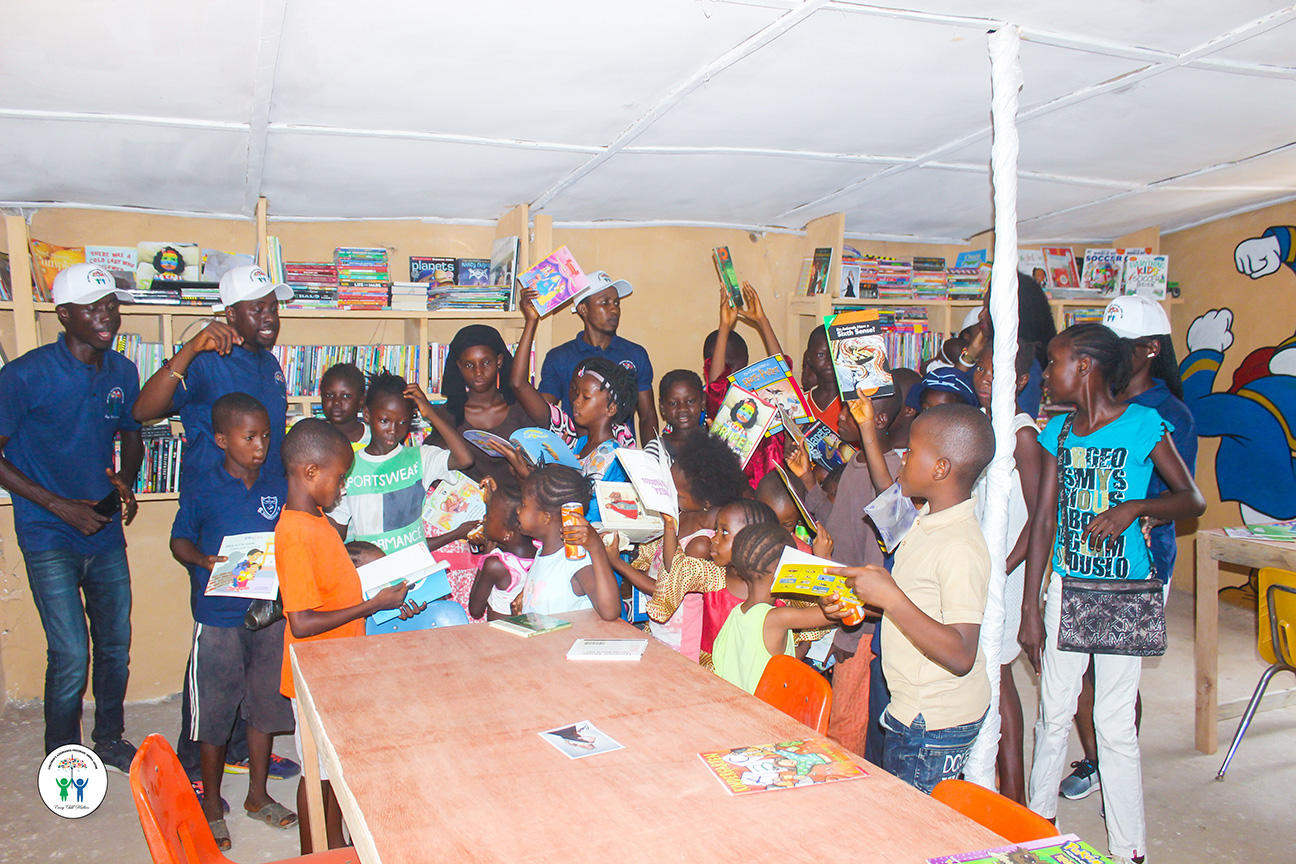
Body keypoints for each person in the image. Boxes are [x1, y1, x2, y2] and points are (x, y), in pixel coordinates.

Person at [1019, 323, 1204, 864]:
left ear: (1084, 366)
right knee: (1053, 714)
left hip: (1124, 591)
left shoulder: (1144, 424)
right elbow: (1044, 521)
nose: (1046, 375)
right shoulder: (1059, 432)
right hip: (1067, 587)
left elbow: (1191, 500)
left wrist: (1136, 508)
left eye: (1054, 363)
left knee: (1114, 724)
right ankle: (1039, 828)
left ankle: (1129, 848)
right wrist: (1030, 606)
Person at [1056, 298, 1200, 804]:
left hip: (1140, 560)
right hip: (1081, 559)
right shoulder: (1096, 403)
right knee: (1079, 671)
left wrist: (1138, 510)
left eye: (1123, 347)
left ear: (1151, 350)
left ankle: (1112, 762)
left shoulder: (1167, 414)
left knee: (1115, 677)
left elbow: (1181, 494)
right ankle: (1095, 757)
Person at [0, 263, 142, 767]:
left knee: (115, 645)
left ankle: (109, 738)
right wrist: (59, 506)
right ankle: (62, 757)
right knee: (70, 654)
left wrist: (127, 478)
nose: (107, 316)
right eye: (93, 308)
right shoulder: (23, 376)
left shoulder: (123, 371)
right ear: (63, 314)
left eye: (111, 305)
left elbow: (132, 433)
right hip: (47, 533)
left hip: (103, 532)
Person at [826, 403, 997, 793]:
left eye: (912, 452)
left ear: (940, 469)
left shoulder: (959, 546)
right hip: (915, 706)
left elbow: (961, 654)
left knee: (914, 818)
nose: (903, 459)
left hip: (933, 720)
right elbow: (887, 496)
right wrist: (863, 602)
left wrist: (891, 598)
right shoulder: (925, 520)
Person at [276, 419, 423, 853]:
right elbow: (302, 622)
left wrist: (384, 598)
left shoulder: (316, 518)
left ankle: (336, 843)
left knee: (333, 769)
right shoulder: (295, 533)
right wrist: (371, 606)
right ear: (310, 472)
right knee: (316, 776)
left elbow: (333, 586)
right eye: (339, 478)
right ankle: (312, 852)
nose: (342, 489)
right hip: (313, 675)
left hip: (336, 666)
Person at [168, 393, 295, 848]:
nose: (260, 446)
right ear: (222, 440)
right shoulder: (203, 487)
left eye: (266, 436)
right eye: (249, 437)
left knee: (264, 706)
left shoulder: (277, 487)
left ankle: (258, 796)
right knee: (215, 713)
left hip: (268, 617)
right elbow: (179, 540)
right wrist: (203, 560)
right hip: (219, 617)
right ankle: (210, 804)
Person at [133, 264, 293, 484]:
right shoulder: (206, 361)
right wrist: (190, 348)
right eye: (258, 310)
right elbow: (142, 411)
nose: (270, 318)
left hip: (266, 495)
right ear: (231, 313)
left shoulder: (271, 363)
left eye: (274, 309)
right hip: (215, 496)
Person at [968, 341, 1041, 805]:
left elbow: (1040, 517)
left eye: (997, 371)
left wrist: (1005, 567)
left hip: (1009, 571)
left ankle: (1014, 793)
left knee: (999, 675)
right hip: (983, 568)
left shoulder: (1021, 433)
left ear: (1021, 380)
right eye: (981, 368)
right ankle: (994, 780)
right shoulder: (981, 424)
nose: (986, 378)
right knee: (987, 674)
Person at [611, 434, 749, 658]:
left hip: (680, 640)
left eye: (678, 494)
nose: (669, 495)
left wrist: (618, 563)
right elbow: (652, 560)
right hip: (658, 628)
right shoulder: (681, 514)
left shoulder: (702, 544)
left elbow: (664, 588)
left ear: (705, 501)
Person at [326, 371, 474, 554]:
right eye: (384, 420)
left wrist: (431, 414)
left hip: (417, 564)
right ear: (367, 415)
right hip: (374, 567)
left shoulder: (420, 458)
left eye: (403, 422)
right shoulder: (350, 468)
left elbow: (465, 459)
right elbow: (337, 528)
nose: (393, 430)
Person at [514, 288, 636, 490]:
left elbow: (580, 499)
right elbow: (519, 384)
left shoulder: (612, 450)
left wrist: (552, 472)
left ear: (611, 408)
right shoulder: (580, 443)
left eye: (585, 396)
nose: (575, 401)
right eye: (574, 391)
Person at [712, 522, 835, 694]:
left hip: (736, 705)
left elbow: (771, 661)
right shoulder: (777, 618)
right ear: (782, 571)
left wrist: (804, 647)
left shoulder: (737, 613)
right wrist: (825, 561)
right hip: (766, 709)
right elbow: (835, 610)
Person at [537, 270, 657, 445]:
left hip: (622, 453)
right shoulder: (560, 357)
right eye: (605, 302)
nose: (614, 309)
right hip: (575, 454)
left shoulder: (634, 354)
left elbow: (647, 415)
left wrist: (652, 457)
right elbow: (543, 412)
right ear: (583, 309)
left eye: (616, 303)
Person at [705, 283, 789, 485]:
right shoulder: (725, 407)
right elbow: (716, 385)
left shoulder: (763, 396)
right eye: (723, 365)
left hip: (774, 484)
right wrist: (724, 327)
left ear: (747, 361)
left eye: (734, 363)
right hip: (738, 488)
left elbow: (783, 375)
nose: (729, 372)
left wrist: (762, 321)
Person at [428, 324, 532, 484]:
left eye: (486, 362)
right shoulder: (447, 415)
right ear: (459, 366)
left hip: (520, 497)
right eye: (469, 365)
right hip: (469, 498)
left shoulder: (521, 409)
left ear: (499, 361)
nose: (478, 372)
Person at [516, 464, 621, 620]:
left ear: (545, 517)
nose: (518, 510)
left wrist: (596, 548)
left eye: (523, 504)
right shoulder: (542, 553)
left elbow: (610, 612)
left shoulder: (575, 560)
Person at [951, 272, 1056, 418]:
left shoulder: (1025, 364)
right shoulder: (987, 353)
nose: (981, 315)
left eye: (989, 309)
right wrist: (971, 354)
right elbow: (948, 393)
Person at [467, 477, 537, 621]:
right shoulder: (539, 547)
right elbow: (503, 517)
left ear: (507, 535)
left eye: (489, 517)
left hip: (499, 631)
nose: (484, 518)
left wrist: (486, 552)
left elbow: (475, 610)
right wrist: (491, 500)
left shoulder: (496, 564)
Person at [643, 369, 707, 465]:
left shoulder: (716, 444)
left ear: (703, 402)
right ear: (662, 407)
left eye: (690, 401)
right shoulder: (656, 451)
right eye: (673, 403)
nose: (682, 408)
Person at [319, 363, 367, 449]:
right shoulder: (316, 439)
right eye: (329, 395)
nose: (336, 402)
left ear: (361, 400)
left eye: (346, 396)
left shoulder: (375, 439)